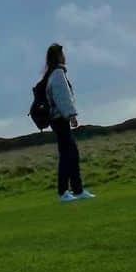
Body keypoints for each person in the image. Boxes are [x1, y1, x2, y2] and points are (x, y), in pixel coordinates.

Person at [43, 43, 95, 202]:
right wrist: (71, 115)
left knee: (69, 154)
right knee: (69, 154)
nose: (65, 57)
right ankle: (66, 191)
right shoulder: (58, 74)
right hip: (60, 119)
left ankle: (75, 190)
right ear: (58, 57)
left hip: (57, 119)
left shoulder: (52, 74)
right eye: (62, 54)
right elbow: (63, 97)